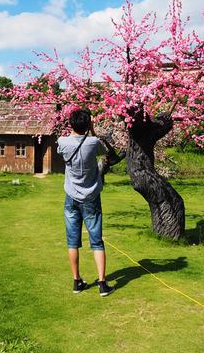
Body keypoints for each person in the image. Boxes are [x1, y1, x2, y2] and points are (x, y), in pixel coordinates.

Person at [57, 107, 122, 297]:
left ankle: (77, 281)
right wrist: (92, 131)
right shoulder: (93, 143)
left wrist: (75, 128)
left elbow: (65, 142)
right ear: (88, 124)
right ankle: (102, 284)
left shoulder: (62, 141)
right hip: (91, 197)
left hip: (71, 197)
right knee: (97, 241)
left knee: (72, 241)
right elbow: (108, 151)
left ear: (71, 124)